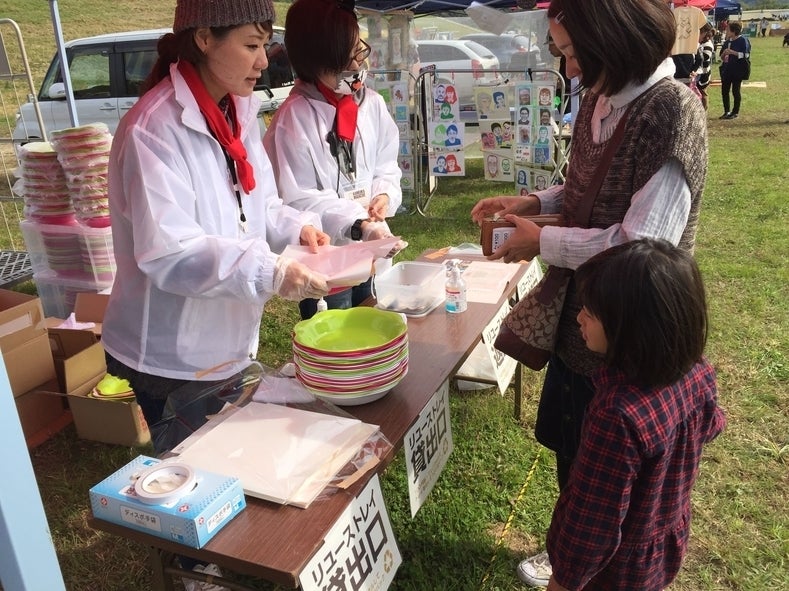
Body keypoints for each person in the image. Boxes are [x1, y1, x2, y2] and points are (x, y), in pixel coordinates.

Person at [470, 0, 707, 586]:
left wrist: (542, 242)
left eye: (574, 53)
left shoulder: (669, 111)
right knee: (574, 455)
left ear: (615, 40)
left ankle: (600, 567)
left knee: (616, 479)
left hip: (629, 338)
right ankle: (573, 552)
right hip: (582, 322)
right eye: (562, 53)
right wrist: (534, 203)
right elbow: (582, 186)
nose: (569, 69)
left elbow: (639, 244)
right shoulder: (600, 98)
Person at [102, 0, 331, 588]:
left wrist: (296, 230)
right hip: (171, 350)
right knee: (192, 480)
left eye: (264, 45)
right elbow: (169, 253)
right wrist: (269, 271)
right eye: (251, 46)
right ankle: (195, 571)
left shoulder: (237, 111)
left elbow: (259, 205)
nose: (263, 61)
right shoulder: (155, 128)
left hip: (226, 334)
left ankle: (218, 562)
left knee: (226, 465)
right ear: (204, 38)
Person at [544, 238, 725, 591]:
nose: (579, 317)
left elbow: (593, 520)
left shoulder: (616, 414)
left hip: (612, 572)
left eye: (590, 312)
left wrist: (563, 581)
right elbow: (712, 423)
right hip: (662, 545)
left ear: (630, 327)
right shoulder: (697, 371)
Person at [263, 0, 404, 320]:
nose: (356, 66)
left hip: (371, 245)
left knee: (372, 317)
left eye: (359, 52)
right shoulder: (294, 119)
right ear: (315, 64)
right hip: (325, 258)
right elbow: (299, 199)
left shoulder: (369, 104)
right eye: (345, 60)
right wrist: (358, 223)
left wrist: (383, 195)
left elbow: (386, 164)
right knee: (335, 330)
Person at [719, 21, 750, 120]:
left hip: (737, 70)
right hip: (727, 69)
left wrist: (733, 52)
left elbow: (746, 55)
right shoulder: (727, 42)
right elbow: (721, 57)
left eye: (728, 30)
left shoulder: (743, 40)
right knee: (724, 91)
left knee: (735, 91)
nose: (726, 31)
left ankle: (735, 112)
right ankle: (726, 111)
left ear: (734, 31)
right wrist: (724, 53)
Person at [695, 23, 715, 110]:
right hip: (699, 72)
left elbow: (705, 58)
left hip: (704, 73)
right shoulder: (701, 43)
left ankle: (704, 110)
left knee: (703, 93)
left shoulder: (708, 45)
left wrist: (697, 52)